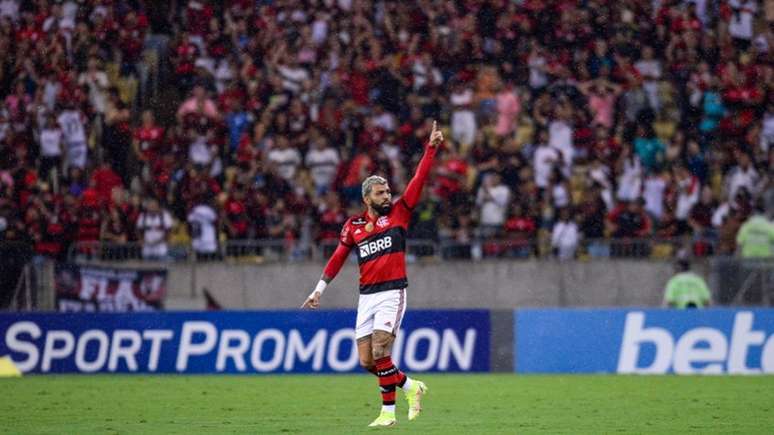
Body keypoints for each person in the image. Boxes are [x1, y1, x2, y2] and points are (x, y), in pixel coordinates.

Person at [301, 121, 444, 427]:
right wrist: (318, 291)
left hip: (393, 291)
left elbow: (418, 179)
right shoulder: (353, 227)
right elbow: (338, 259)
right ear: (367, 198)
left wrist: (431, 148)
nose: (386, 196)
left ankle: (387, 414)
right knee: (368, 361)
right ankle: (410, 386)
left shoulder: (399, 214)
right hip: (366, 296)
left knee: (381, 349)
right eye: (380, 193)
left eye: (387, 191)